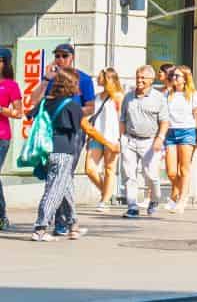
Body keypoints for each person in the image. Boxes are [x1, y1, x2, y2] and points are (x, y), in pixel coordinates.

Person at [32, 66, 113, 240]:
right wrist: (108, 143)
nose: (78, 87)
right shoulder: (72, 106)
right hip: (64, 152)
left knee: (66, 187)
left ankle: (73, 225)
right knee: (54, 190)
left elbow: (30, 113)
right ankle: (41, 228)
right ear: (71, 85)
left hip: (46, 151)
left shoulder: (46, 101)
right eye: (76, 83)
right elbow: (86, 128)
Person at [118, 64, 167, 218]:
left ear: (151, 80)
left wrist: (160, 138)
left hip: (150, 142)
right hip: (130, 140)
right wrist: (121, 138)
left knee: (151, 175)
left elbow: (164, 122)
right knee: (129, 175)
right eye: (137, 77)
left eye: (143, 78)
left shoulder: (159, 98)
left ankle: (154, 200)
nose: (139, 80)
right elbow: (123, 119)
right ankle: (132, 206)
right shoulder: (128, 97)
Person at [161, 64, 197, 212]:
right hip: (170, 133)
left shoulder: (192, 94)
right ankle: (179, 191)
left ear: (185, 79)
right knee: (171, 171)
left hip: (187, 132)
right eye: (172, 76)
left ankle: (182, 200)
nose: (173, 78)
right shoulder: (167, 94)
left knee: (184, 169)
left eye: (177, 76)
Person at [83, 69, 123, 212]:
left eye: (100, 77)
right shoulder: (97, 96)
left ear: (107, 79)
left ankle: (104, 200)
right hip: (97, 135)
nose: (97, 79)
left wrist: (120, 139)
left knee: (109, 169)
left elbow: (121, 119)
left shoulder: (118, 97)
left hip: (113, 136)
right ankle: (106, 191)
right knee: (89, 169)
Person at [0, 48, 21, 232]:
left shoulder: (11, 85)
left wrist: (1, 110)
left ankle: (2, 216)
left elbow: (18, 113)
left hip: (2, 136)